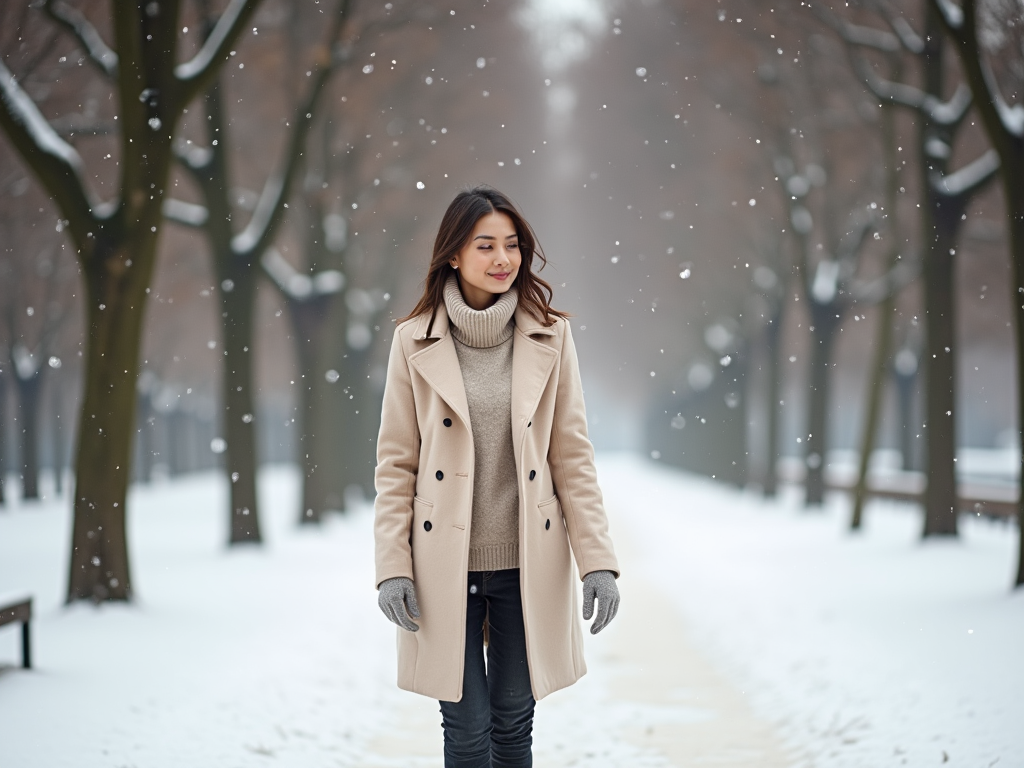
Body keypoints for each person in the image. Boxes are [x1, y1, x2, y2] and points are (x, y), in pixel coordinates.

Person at [373, 185, 620, 768]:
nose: (503, 258)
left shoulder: (551, 336)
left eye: (512, 245)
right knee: (465, 727)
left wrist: (598, 562)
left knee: (512, 724)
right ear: (453, 255)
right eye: (485, 245)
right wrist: (391, 568)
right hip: (442, 566)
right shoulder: (412, 341)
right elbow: (396, 464)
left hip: (525, 562)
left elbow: (572, 457)